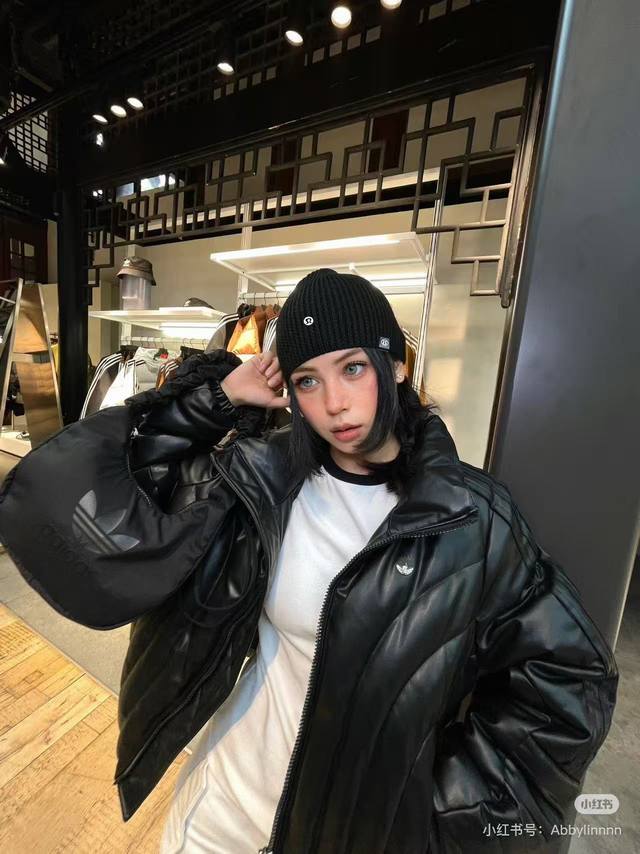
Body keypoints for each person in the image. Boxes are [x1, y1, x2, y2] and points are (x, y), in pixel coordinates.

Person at [0, 269, 618, 854]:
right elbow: (114, 491)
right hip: (222, 804)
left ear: (396, 365)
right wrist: (218, 399)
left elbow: (568, 681)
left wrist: (444, 814)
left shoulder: (471, 517)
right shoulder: (263, 480)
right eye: (307, 380)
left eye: (353, 368)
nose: (334, 404)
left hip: (349, 832)